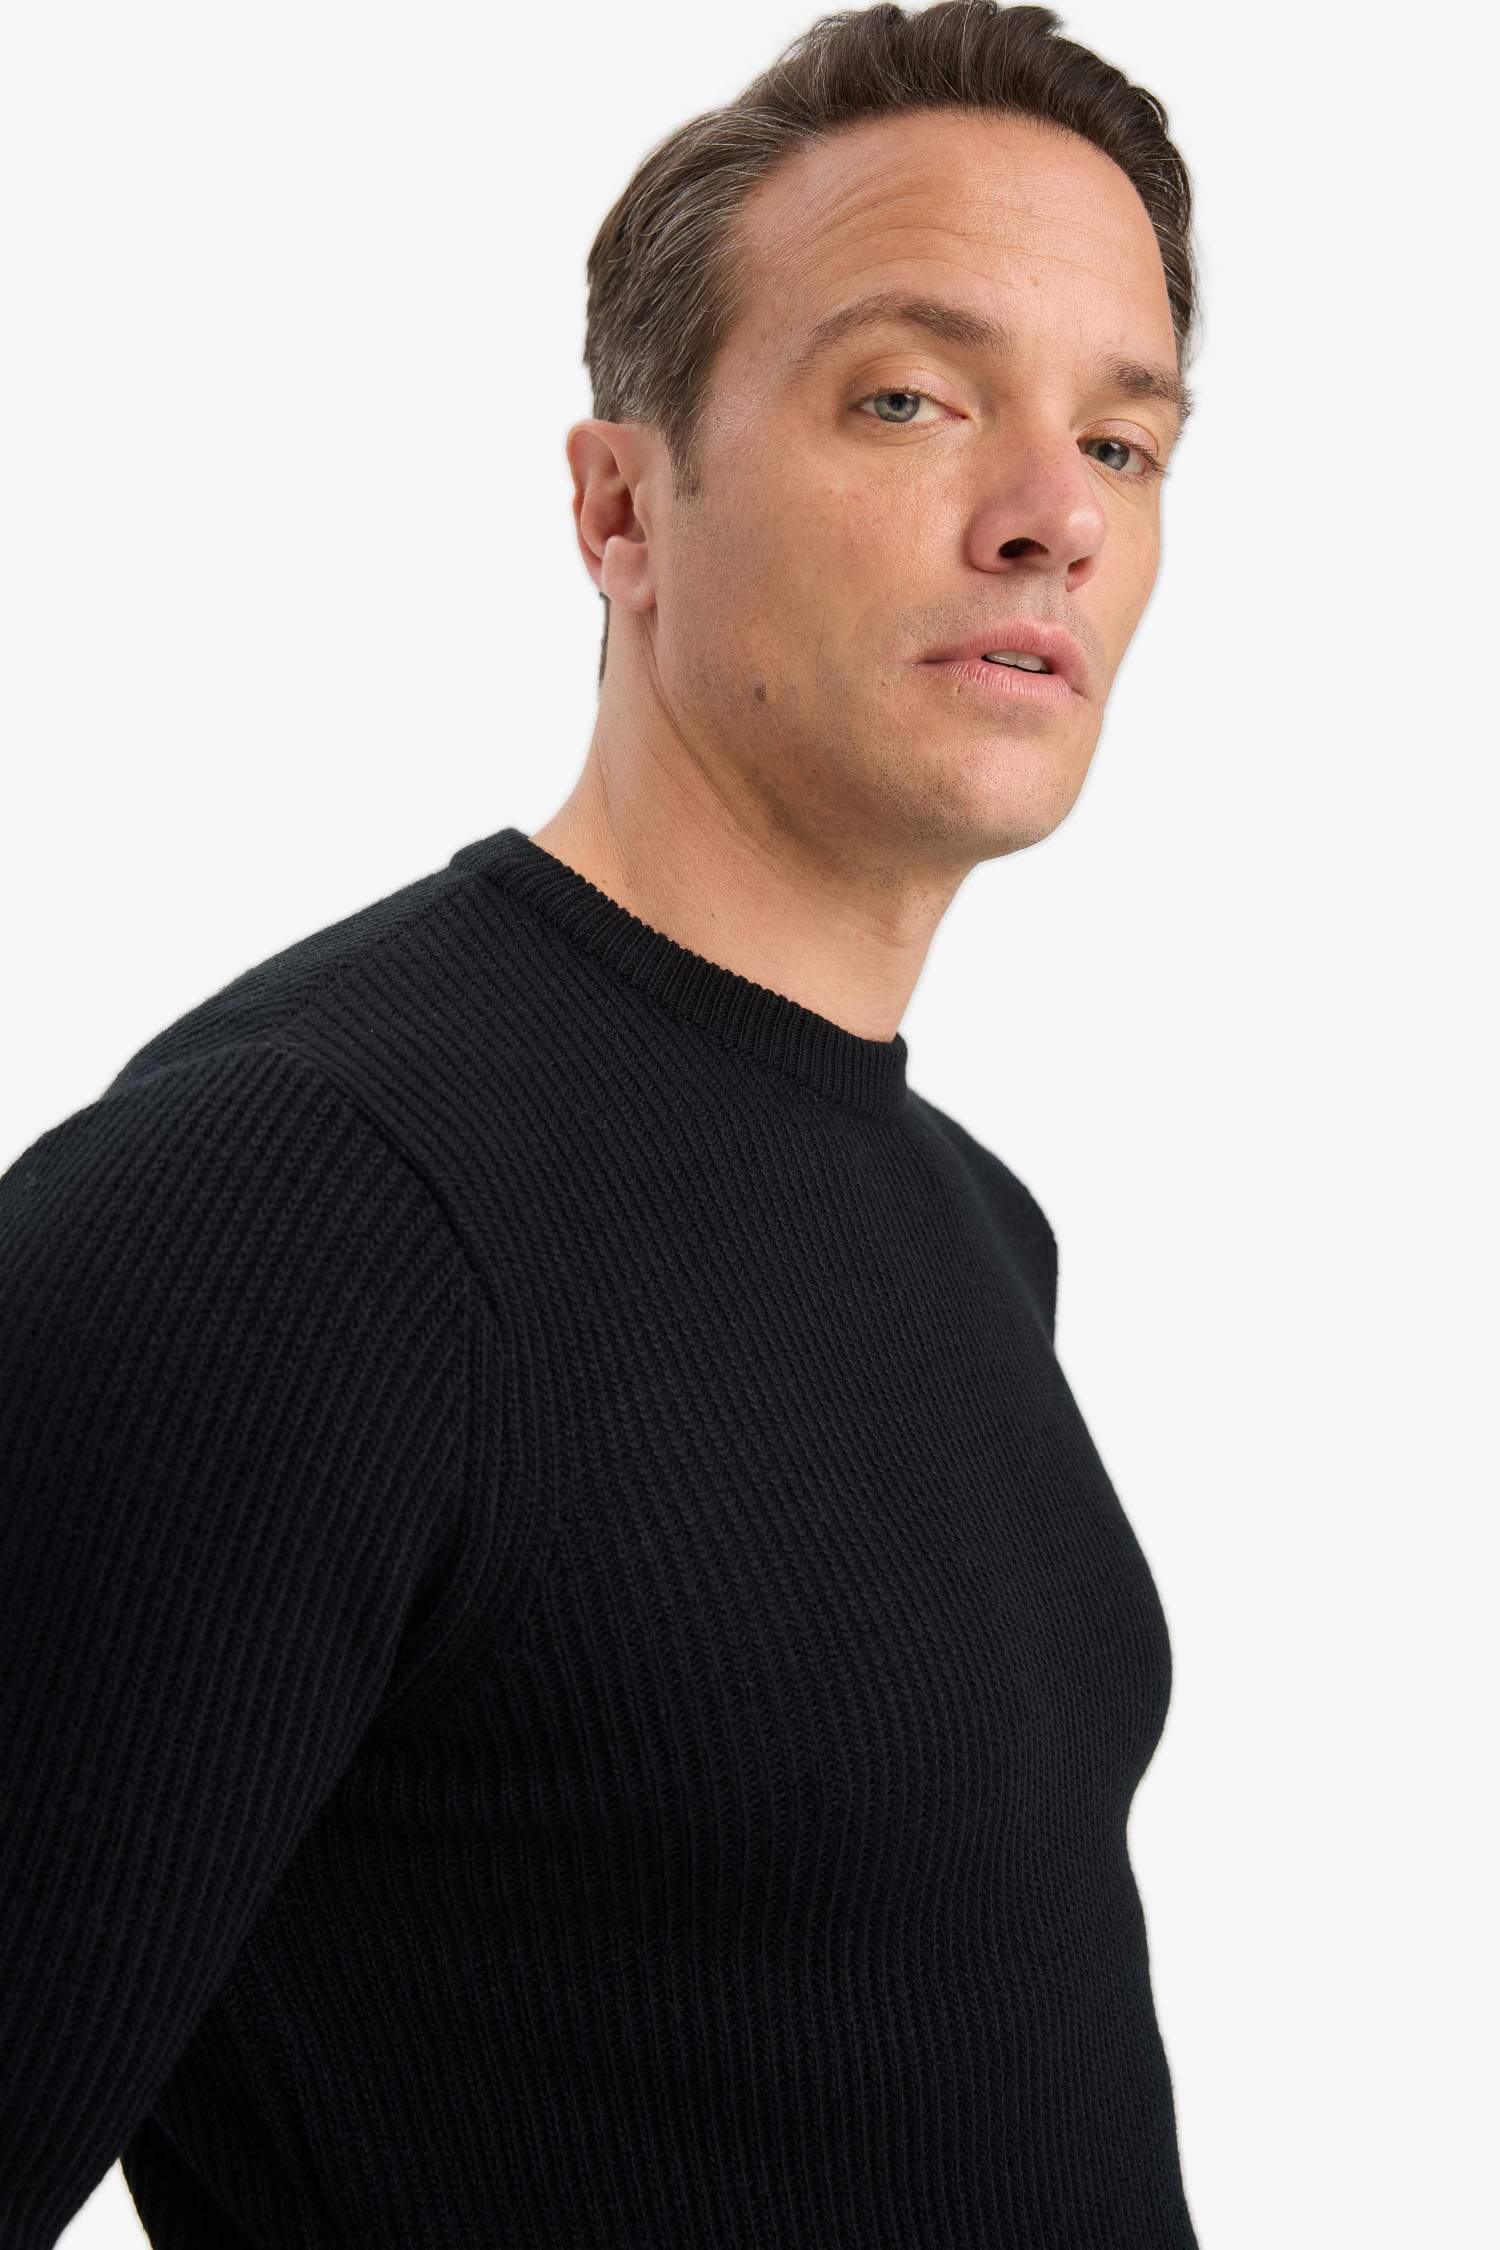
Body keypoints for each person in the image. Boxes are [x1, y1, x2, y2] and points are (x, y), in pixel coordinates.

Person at [0, 4, 1204, 2243]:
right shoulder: (292, 1216)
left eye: (1123, 443)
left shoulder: (971, 1219)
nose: (1051, 517)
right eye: (911, 399)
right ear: (622, 505)